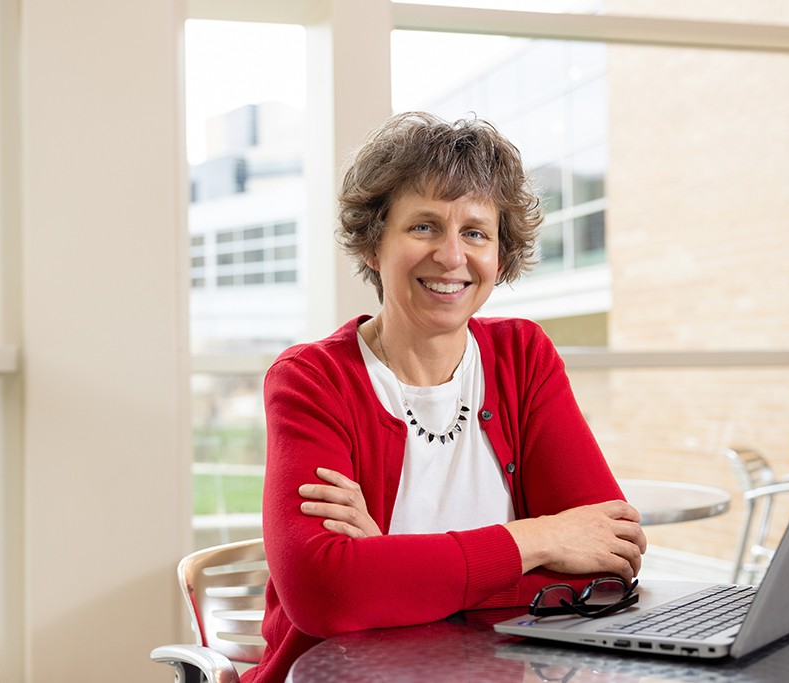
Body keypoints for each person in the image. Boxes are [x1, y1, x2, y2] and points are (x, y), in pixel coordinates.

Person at [244, 112, 647, 683]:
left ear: (500, 257)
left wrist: (389, 566)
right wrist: (540, 539)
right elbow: (327, 595)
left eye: (476, 233)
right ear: (371, 245)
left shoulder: (522, 356)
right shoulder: (313, 379)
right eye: (424, 226)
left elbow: (611, 562)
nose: (452, 256)